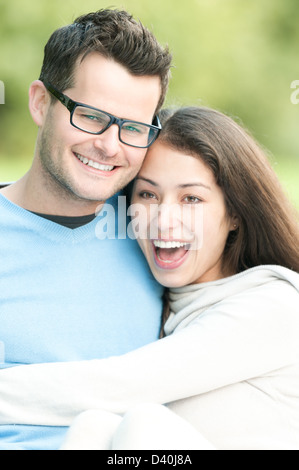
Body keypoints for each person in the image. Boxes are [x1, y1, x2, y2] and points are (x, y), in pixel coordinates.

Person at [0, 107, 298, 450]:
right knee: (94, 428)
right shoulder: (163, 303)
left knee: (143, 424)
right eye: (147, 195)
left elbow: (121, 385)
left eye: (191, 198)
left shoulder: (276, 305)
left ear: (234, 213)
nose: (163, 220)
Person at [0, 9, 172, 450]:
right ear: (41, 103)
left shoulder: (159, 237)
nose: (110, 146)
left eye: (133, 128)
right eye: (92, 116)